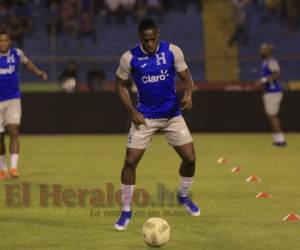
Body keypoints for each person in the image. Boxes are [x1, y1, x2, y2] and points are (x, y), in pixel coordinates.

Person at [114, 18, 200, 231]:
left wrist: (188, 95)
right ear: (140, 38)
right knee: (130, 162)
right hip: (145, 117)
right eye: (146, 40)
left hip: (172, 115)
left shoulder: (173, 51)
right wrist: (132, 111)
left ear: (158, 35)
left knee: (190, 158)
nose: (150, 44)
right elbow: (119, 85)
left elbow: (187, 79)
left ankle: (183, 196)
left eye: (153, 39)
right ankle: (126, 211)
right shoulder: (129, 57)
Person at [0, 29, 48, 180]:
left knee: (13, 130)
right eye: (0, 40)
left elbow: (27, 63)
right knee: (0, 137)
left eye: (5, 40)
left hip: (14, 98)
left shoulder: (17, 54)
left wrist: (39, 72)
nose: (3, 43)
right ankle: (2, 169)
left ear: (10, 41)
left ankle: (14, 168)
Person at [255, 43, 286, 146]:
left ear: (267, 51)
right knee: (270, 116)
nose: (261, 51)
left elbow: (277, 73)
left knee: (272, 116)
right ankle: (277, 139)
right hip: (269, 92)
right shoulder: (265, 62)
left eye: (263, 49)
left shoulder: (271, 61)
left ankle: (281, 140)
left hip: (273, 92)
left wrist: (262, 80)